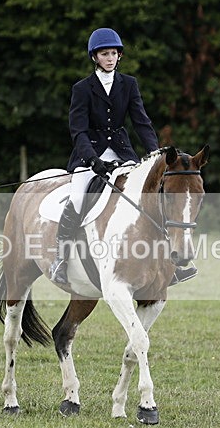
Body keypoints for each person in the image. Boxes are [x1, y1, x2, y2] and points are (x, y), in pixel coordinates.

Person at [49, 27, 197, 286]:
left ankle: (169, 266)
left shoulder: (129, 84)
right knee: (78, 197)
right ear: (94, 57)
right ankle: (61, 259)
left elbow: (141, 122)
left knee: (151, 198)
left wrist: (156, 154)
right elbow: (78, 130)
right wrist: (92, 159)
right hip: (89, 156)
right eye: (104, 54)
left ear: (120, 56)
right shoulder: (82, 88)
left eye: (114, 53)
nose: (110, 58)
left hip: (122, 153)